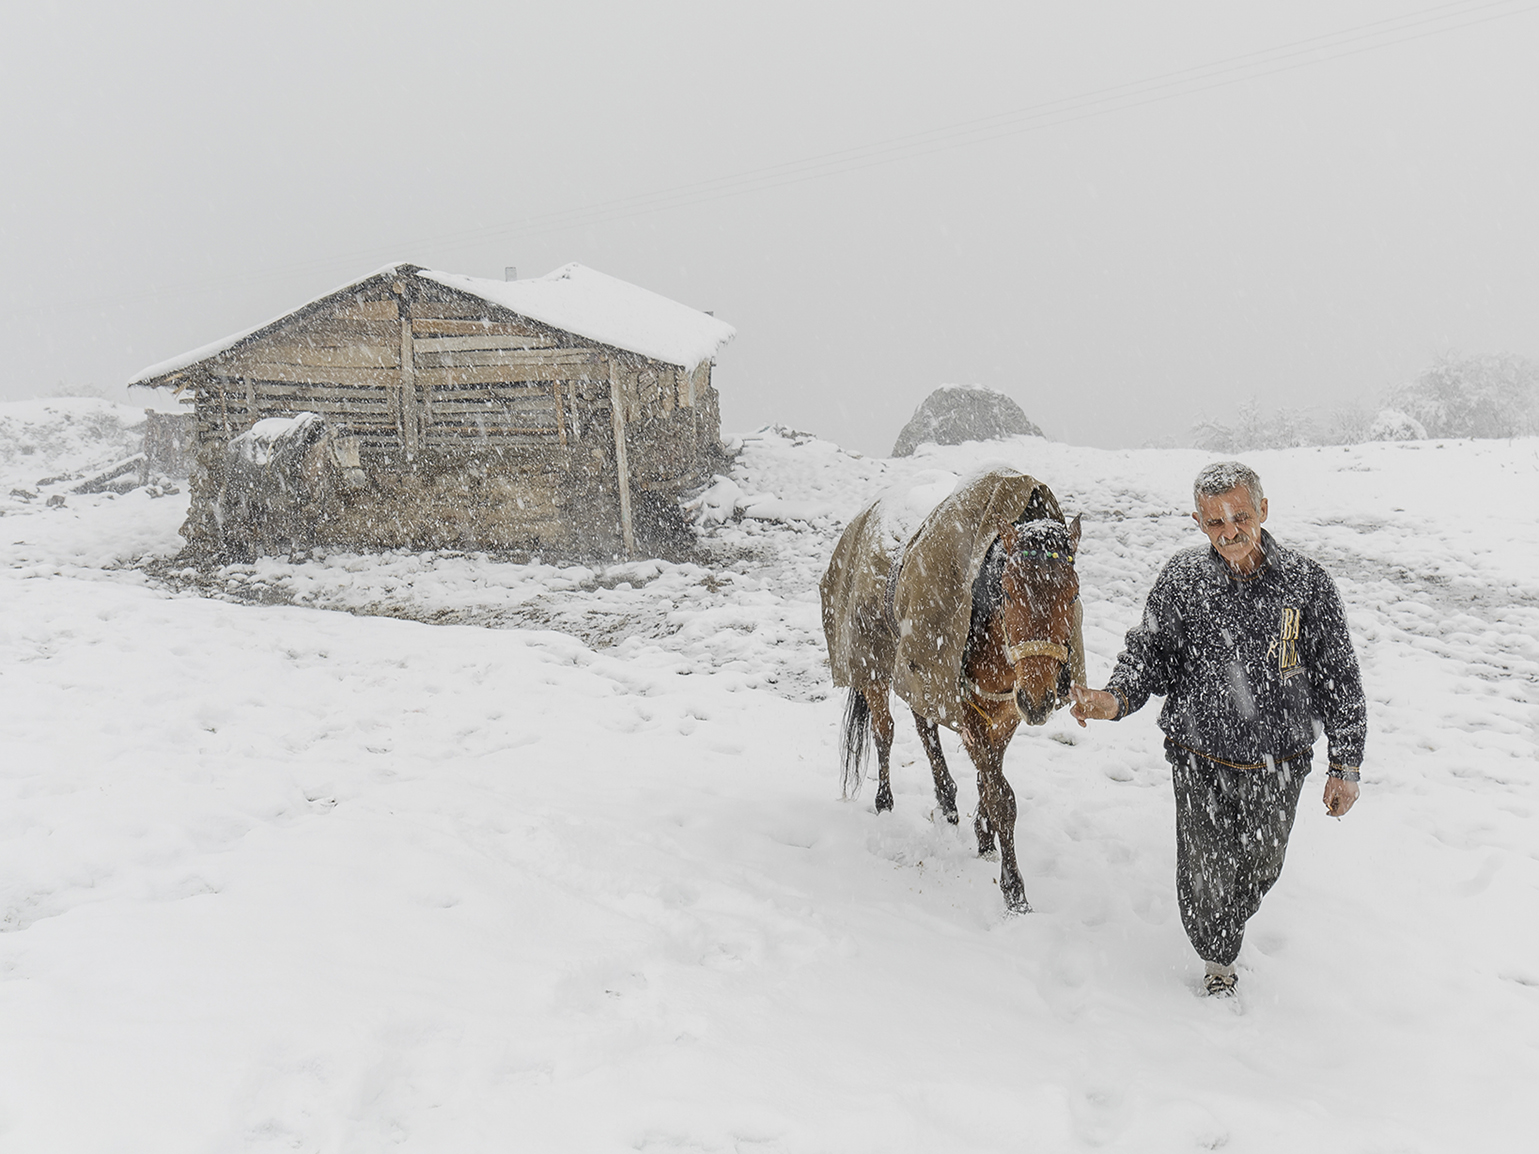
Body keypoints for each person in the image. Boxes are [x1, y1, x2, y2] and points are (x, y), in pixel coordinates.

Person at [1070, 462, 1366, 996]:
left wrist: (1344, 765)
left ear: (1263, 510)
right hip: (1199, 757)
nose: (1229, 532)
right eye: (1214, 522)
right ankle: (1218, 962)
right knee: (1206, 879)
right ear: (1198, 522)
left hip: (1280, 762)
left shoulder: (1307, 584)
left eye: (1240, 517)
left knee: (1260, 868)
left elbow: (1339, 678)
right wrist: (1114, 699)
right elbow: (1149, 656)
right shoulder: (1183, 580)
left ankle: (1225, 925)